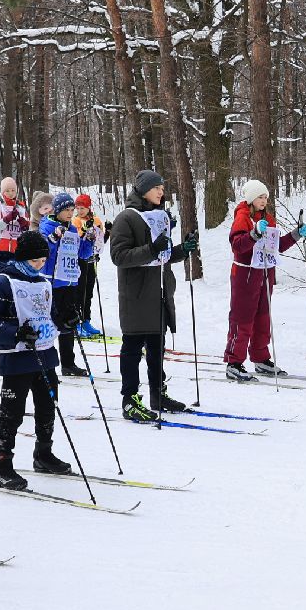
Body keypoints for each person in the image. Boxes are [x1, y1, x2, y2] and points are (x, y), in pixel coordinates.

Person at [0, 230, 73, 489]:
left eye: (43, 261)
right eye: (34, 262)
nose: (39, 266)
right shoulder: (3, 282)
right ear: (22, 258)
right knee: (12, 414)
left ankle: (43, 453)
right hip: (17, 359)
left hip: (45, 355)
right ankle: (2, 465)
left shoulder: (43, 282)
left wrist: (64, 322)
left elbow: (49, 316)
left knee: (47, 406)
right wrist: (14, 333)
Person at [109, 170, 199, 422]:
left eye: (162, 187)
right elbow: (119, 256)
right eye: (156, 187)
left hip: (158, 292)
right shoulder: (127, 218)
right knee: (133, 348)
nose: (161, 191)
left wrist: (182, 250)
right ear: (143, 189)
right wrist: (151, 248)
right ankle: (129, 399)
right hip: (136, 296)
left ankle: (158, 394)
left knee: (157, 348)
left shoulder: (159, 217)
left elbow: (163, 254)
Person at [223, 180, 306, 382]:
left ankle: (260, 357)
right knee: (242, 318)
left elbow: (276, 246)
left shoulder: (268, 219)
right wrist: (254, 234)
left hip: (265, 274)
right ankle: (234, 361)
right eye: (260, 197)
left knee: (262, 317)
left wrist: (295, 234)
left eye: (266, 197)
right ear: (251, 198)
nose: (264, 200)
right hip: (245, 275)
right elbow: (237, 245)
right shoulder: (243, 217)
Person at [38, 192, 88, 377]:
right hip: (52, 282)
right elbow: (42, 250)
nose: (69, 213)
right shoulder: (47, 226)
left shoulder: (73, 229)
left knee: (69, 322)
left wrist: (88, 241)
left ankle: (68, 363)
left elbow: (82, 253)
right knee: (52, 322)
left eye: (71, 209)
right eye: (66, 210)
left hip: (69, 280)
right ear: (57, 210)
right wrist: (53, 237)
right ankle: (46, 362)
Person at [73, 193, 108, 339]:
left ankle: (86, 320)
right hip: (80, 261)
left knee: (89, 292)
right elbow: (76, 239)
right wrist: (84, 230)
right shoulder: (75, 221)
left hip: (92, 260)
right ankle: (77, 322)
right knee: (79, 292)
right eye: (78, 208)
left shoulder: (97, 220)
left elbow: (100, 239)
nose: (80, 211)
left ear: (89, 208)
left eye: (83, 208)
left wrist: (108, 233)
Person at [0, 176, 31, 265]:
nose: (10, 193)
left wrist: (25, 225)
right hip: (1, 251)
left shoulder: (21, 207)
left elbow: (27, 230)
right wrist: (6, 220)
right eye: (7, 191)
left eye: (13, 190)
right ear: (2, 192)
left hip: (18, 252)